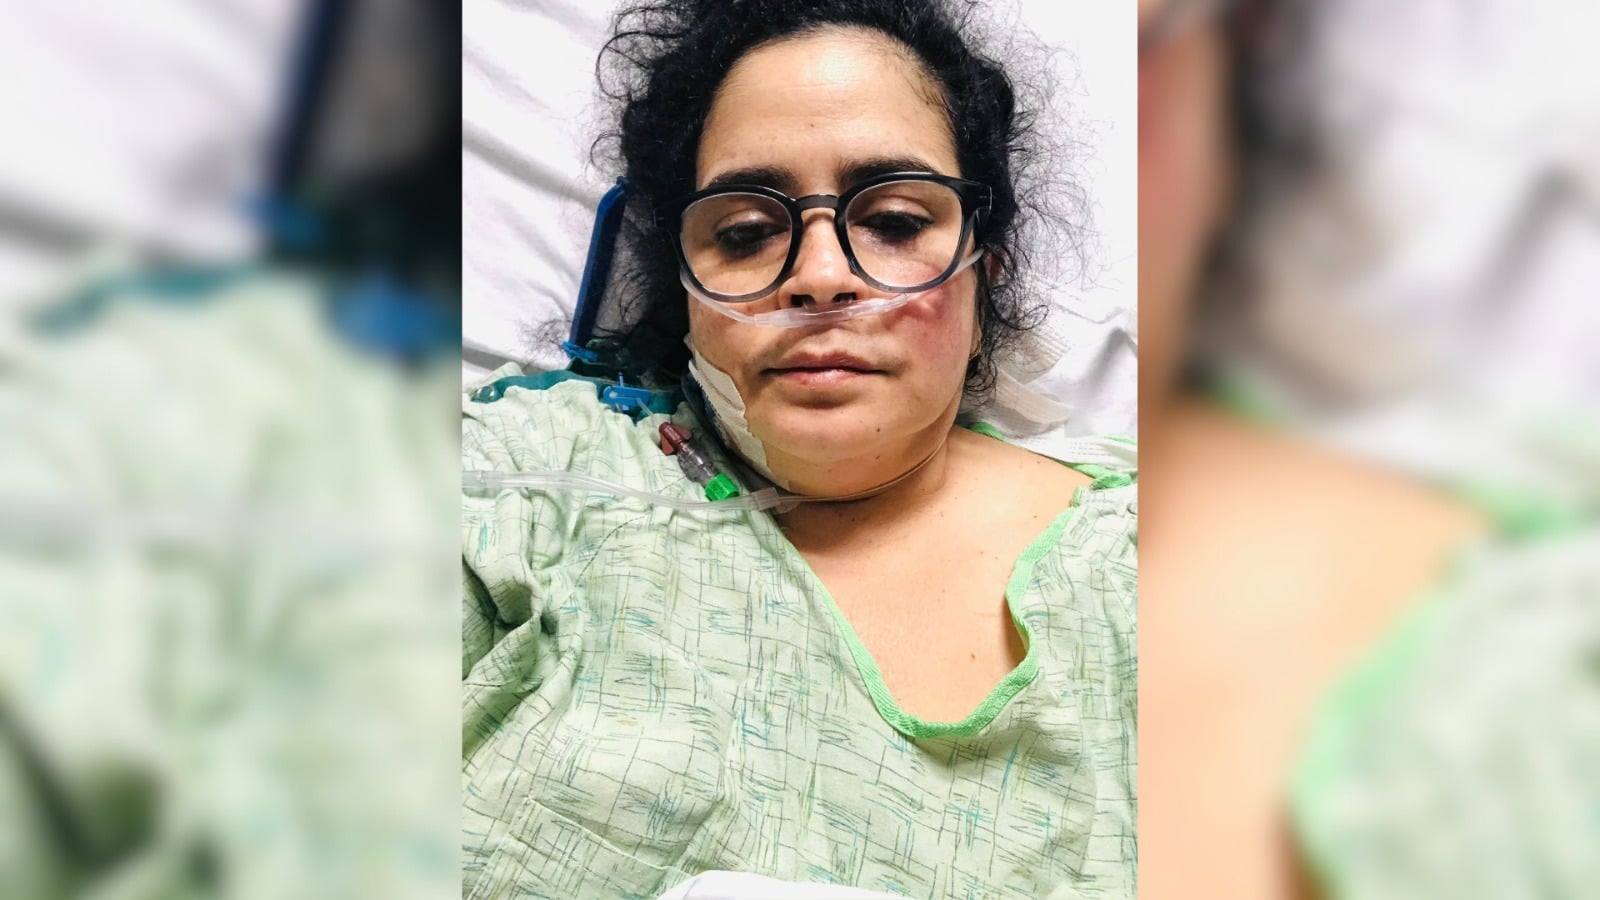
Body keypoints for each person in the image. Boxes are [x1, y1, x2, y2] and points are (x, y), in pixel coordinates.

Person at [461, 1, 1137, 897]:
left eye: (894, 220)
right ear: (685, 289)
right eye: (746, 234)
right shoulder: (532, 483)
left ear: (987, 271)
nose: (820, 277)